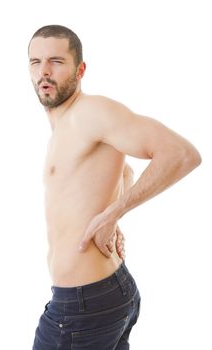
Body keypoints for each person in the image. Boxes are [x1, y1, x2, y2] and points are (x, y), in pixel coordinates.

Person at [28, 25, 201, 349]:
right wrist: (111, 213)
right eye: (35, 62)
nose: (44, 72)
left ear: (80, 69)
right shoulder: (65, 124)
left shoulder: (91, 112)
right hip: (102, 296)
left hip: (82, 307)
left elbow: (180, 154)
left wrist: (113, 214)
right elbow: (125, 170)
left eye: (56, 61)